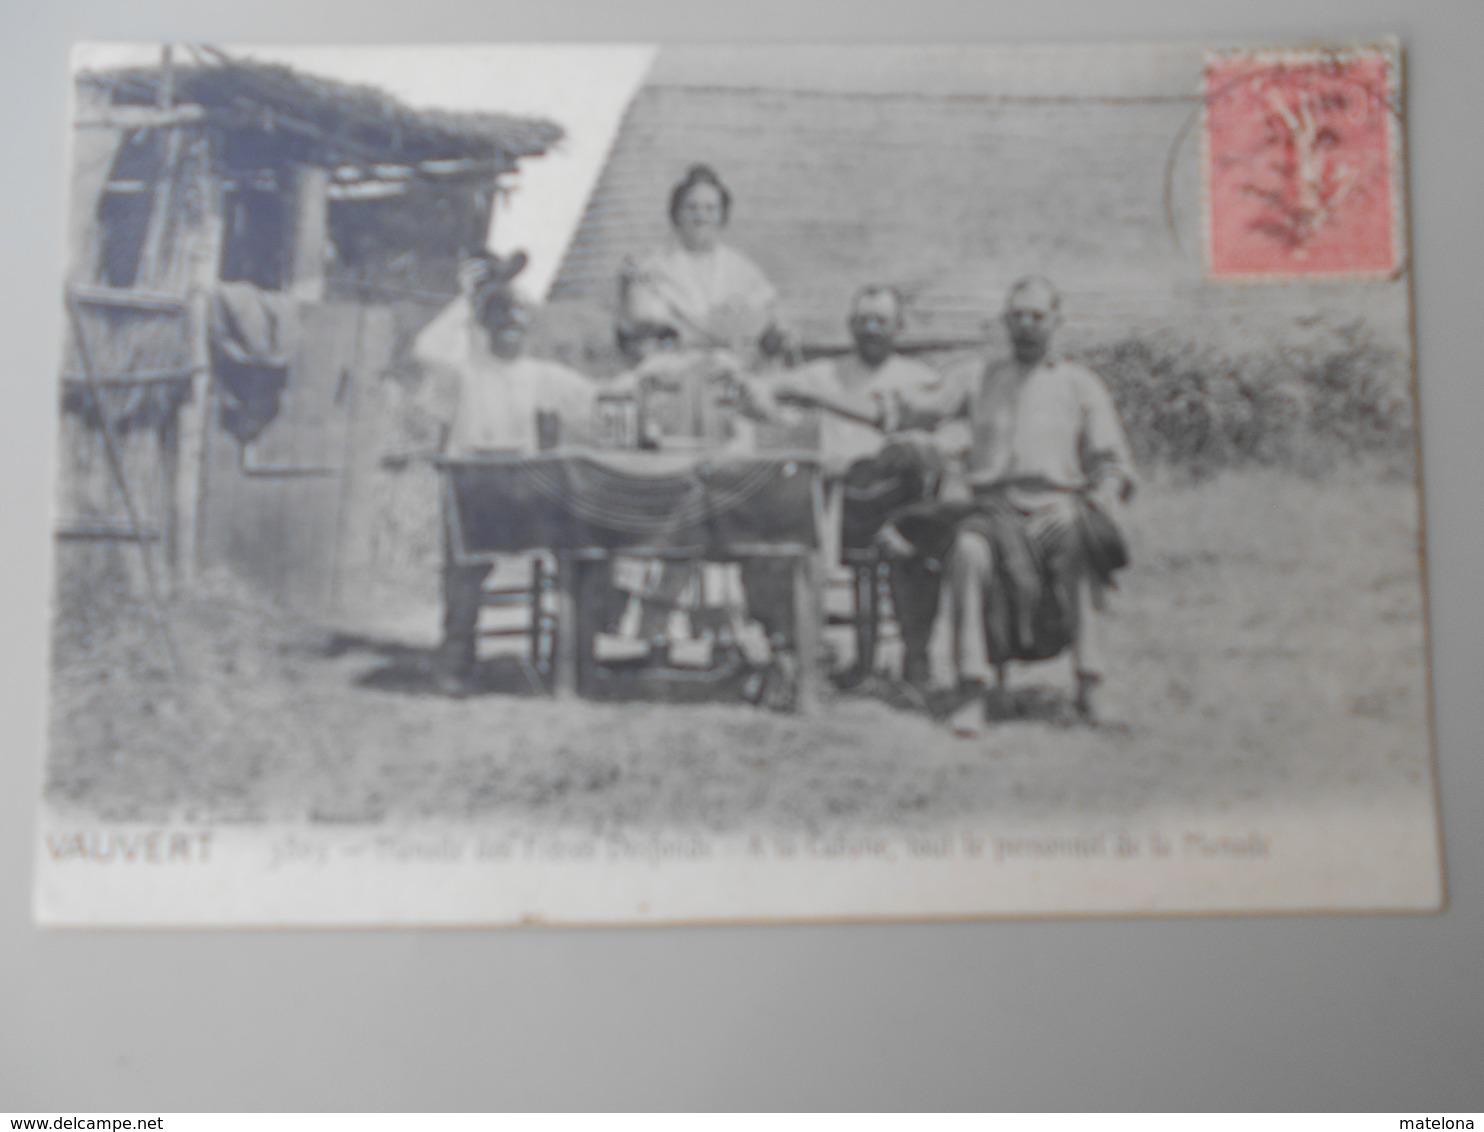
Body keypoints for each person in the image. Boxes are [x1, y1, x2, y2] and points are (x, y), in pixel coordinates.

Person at [887, 276, 1136, 732]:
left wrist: (1104, 498)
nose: (1026, 326)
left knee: (1082, 547)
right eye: (1017, 316)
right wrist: (878, 402)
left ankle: (1091, 685)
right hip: (992, 509)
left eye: (1037, 316)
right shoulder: (979, 376)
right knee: (966, 551)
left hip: (1057, 506)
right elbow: (919, 408)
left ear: (1057, 322)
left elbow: (1112, 462)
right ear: (1005, 322)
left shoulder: (1080, 384)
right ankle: (972, 690)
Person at [607, 164, 793, 656]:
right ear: (675, 215)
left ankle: (723, 629)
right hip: (671, 385)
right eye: (691, 208)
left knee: (726, 489)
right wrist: (641, 302)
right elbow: (638, 325)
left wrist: (768, 333)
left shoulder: (742, 270)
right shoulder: (653, 267)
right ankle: (657, 631)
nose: (701, 217)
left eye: (710, 209)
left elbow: (766, 322)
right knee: (673, 488)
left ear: (724, 216)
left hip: (726, 388)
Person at [406, 251, 597, 692]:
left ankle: (573, 662)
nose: (512, 328)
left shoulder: (540, 374)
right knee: (464, 565)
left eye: (519, 320)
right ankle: (456, 658)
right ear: (483, 326)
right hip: (477, 494)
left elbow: (595, 403)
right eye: (501, 320)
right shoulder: (465, 373)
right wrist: (470, 295)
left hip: (527, 499)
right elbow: (425, 349)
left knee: (583, 546)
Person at [760, 284, 966, 688]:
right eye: (864, 321)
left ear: (899, 327)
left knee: (918, 548)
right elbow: (770, 391)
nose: (872, 330)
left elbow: (953, 432)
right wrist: (772, 357)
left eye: (882, 322)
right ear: (851, 326)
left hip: (902, 501)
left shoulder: (920, 378)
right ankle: (856, 657)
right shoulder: (826, 374)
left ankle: (915, 655)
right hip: (839, 498)